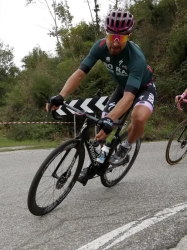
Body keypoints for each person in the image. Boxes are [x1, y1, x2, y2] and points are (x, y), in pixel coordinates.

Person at [47, 9, 156, 182]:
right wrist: (61, 95)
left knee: (139, 117)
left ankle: (126, 146)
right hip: (122, 88)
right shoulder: (99, 46)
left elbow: (129, 97)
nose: (115, 43)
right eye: (112, 37)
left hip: (143, 89)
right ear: (106, 34)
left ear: (129, 36)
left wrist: (111, 119)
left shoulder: (136, 58)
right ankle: (102, 158)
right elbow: (80, 73)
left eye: (121, 39)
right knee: (101, 126)